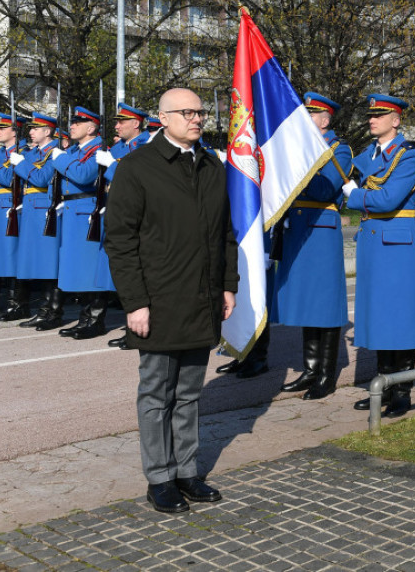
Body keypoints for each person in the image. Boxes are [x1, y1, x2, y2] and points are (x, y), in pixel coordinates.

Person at [104, 88, 238, 514]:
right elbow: (120, 242)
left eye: (201, 112)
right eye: (187, 112)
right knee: (157, 393)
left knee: (189, 393)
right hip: (159, 300)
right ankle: (159, 478)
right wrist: (135, 302)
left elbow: (225, 233)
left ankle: (186, 472)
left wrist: (227, 284)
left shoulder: (211, 165)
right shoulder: (137, 167)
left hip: (202, 297)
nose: (197, 119)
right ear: (163, 118)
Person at [342, 94, 415, 417]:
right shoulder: (367, 155)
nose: (371, 120)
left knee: (400, 317)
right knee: (379, 316)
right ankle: (383, 385)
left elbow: (389, 200)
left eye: (380, 115)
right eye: (370, 115)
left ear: (396, 120)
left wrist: (355, 194)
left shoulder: (408, 157)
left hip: (397, 245)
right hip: (373, 243)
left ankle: (402, 391)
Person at [272, 92, 353, 399]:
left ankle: (326, 375)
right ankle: (309, 370)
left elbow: (323, 189)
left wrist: (297, 162)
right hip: (297, 230)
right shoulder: (300, 148)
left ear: (324, 120)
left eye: (309, 116)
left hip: (320, 232)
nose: (303, 122)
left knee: (325, 306)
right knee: (307, 303)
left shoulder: (338, 149)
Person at [52, 107, 114, 340]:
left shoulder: (97, 149)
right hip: (73, 210)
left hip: (88, 212)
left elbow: (83, 176)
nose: (72, 126)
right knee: (80, 268)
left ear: (91, 128)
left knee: (91, 268)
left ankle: (95, 321)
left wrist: (61, 159)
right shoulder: (78, 149)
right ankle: (85, 318)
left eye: (78, 123)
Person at [99, 103, 150, 348]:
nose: (116, 126)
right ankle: (132, 326)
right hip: (122, 214)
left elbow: (129, 173)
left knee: (140, 271)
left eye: (121, 122)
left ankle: (139, 329)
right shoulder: (122, 147)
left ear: (136, 123)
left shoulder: (146, 145)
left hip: (140, 217)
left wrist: (110, 165)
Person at [13, 113, 63, 330]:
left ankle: (52, 311)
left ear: (47, 131)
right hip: (32, 207)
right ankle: (45, 309)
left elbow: (42, 178)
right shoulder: (34, 152)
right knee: (38, 262)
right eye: (30, 128)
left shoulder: (55, 152)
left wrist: (20, 165)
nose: (31, 132)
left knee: (48, 262)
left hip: (44, 209)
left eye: (35, 128)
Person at [0, 114, 25, 322]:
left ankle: (16, 304)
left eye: (2, 128)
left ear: (14, 131)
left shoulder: (22, 152)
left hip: (9, 204)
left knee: (12, 256)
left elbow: (8, 179)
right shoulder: (1, 153)